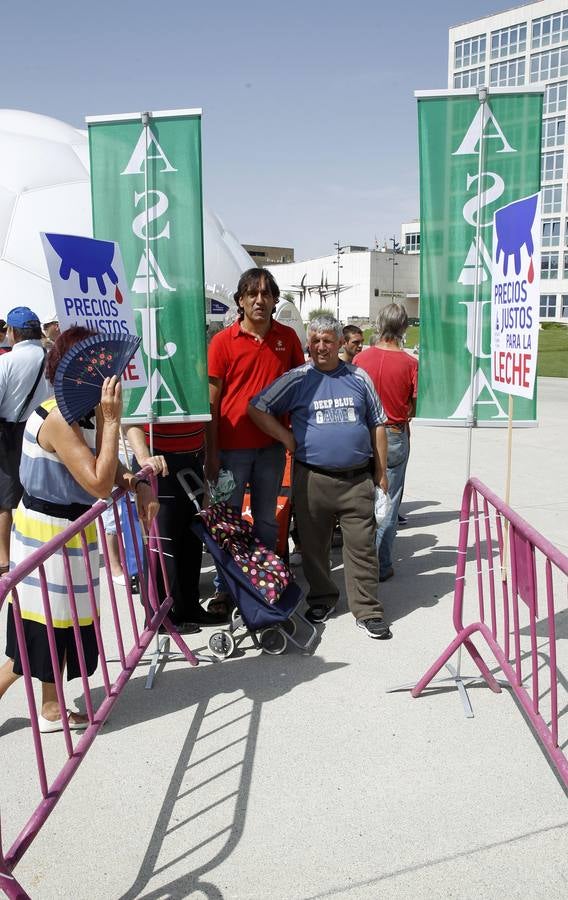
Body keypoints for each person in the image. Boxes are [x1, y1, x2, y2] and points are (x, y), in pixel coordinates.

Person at [0, 326, 158, 731]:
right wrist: (111, 421)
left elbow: (111, 468)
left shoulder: (81, 413)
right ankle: (48, 708)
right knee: (41, 633)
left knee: (62, 626)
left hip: (71, 532)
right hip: (47, 533)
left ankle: (52, 710)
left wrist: (137, 483)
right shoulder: (56, 418)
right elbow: (97, 481)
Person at [249, 314, 391, 640]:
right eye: (315, 341)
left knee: (362, 548)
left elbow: (378, 424)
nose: (322, 347)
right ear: (308, 344)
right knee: (313, 548)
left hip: (356, 480)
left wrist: (381, 473)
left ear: (340, 343)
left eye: (328, 340)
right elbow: (256, 408)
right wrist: (286, 438)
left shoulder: (359, 377)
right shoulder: (297, 378)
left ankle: (368, 610)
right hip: (312, 478)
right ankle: (323, 598)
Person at [206, 267, 304, 614]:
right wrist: (212, 453)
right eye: (252, 294)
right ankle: (225, 588)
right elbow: (212, 403)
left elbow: (299, 390)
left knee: (266, 519)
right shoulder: (221, 342)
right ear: (241, 301)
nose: (259, 300)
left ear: (276, 300)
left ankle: (267, 581)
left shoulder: (288, 339)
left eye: (266, 294)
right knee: (227, 521)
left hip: (272, 450)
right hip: (230, 451)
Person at [125, 420, 227, 631]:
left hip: (191, 457)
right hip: (157, 460)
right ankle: (159, 616)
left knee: (190, 539)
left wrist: (209, 454)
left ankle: (188, 608)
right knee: (163, 544)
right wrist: (144, 457)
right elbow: (130, 414)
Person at [353, 303, 418, 582]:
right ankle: (381, 563)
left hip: (361, 433)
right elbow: (413, 408)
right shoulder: (410, 364)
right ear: (403, 327)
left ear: (379, 325)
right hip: (392, 433)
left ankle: (359, 561)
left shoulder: (360, 360)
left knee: (359, 500)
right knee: (389, 501)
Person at [0, 307, 50, 575]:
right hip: (46, 430)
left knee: (5, 501)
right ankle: (38, 553)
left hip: (11, 433)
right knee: (38, 495)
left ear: (13, 332)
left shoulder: (6, 362)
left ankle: (5, 560)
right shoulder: (52, 356)